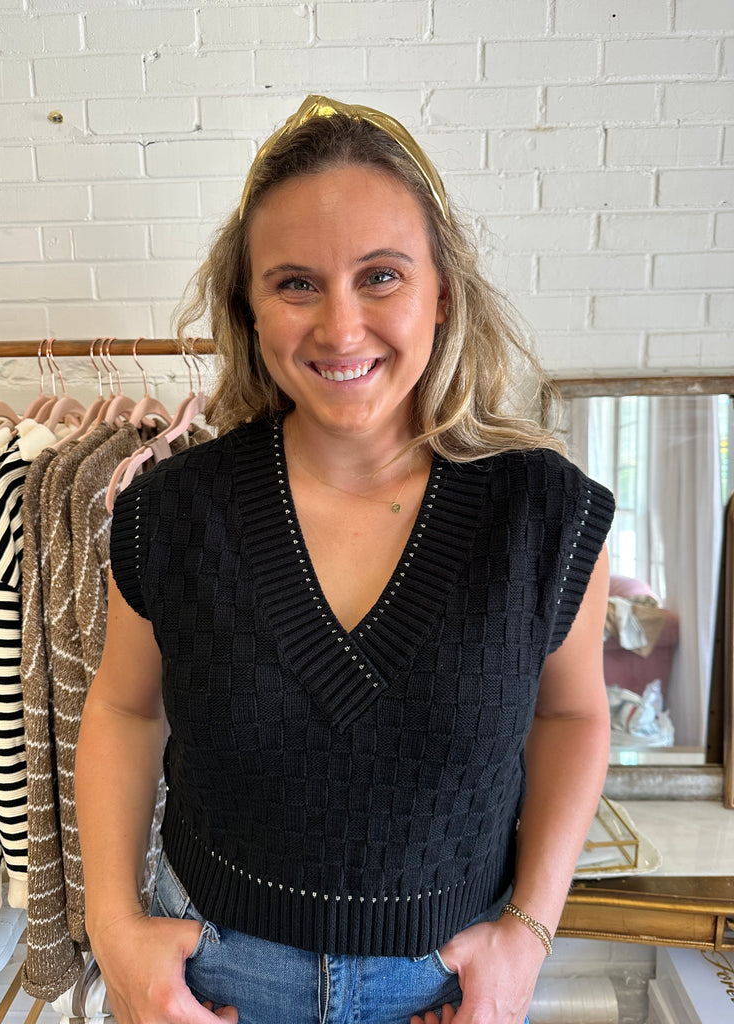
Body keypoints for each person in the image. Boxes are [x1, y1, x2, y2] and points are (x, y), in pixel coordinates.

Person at [75, 95, 615, 1024]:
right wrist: (113, 927)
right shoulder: (172, 511)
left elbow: (572, 715)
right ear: (249, 309)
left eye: (381, 276)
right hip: (214, 980)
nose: (341, 327)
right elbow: (124, 708)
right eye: (296, 283)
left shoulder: (547, 516)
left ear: (442, 293)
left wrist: (529, 933)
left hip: (448, 989)